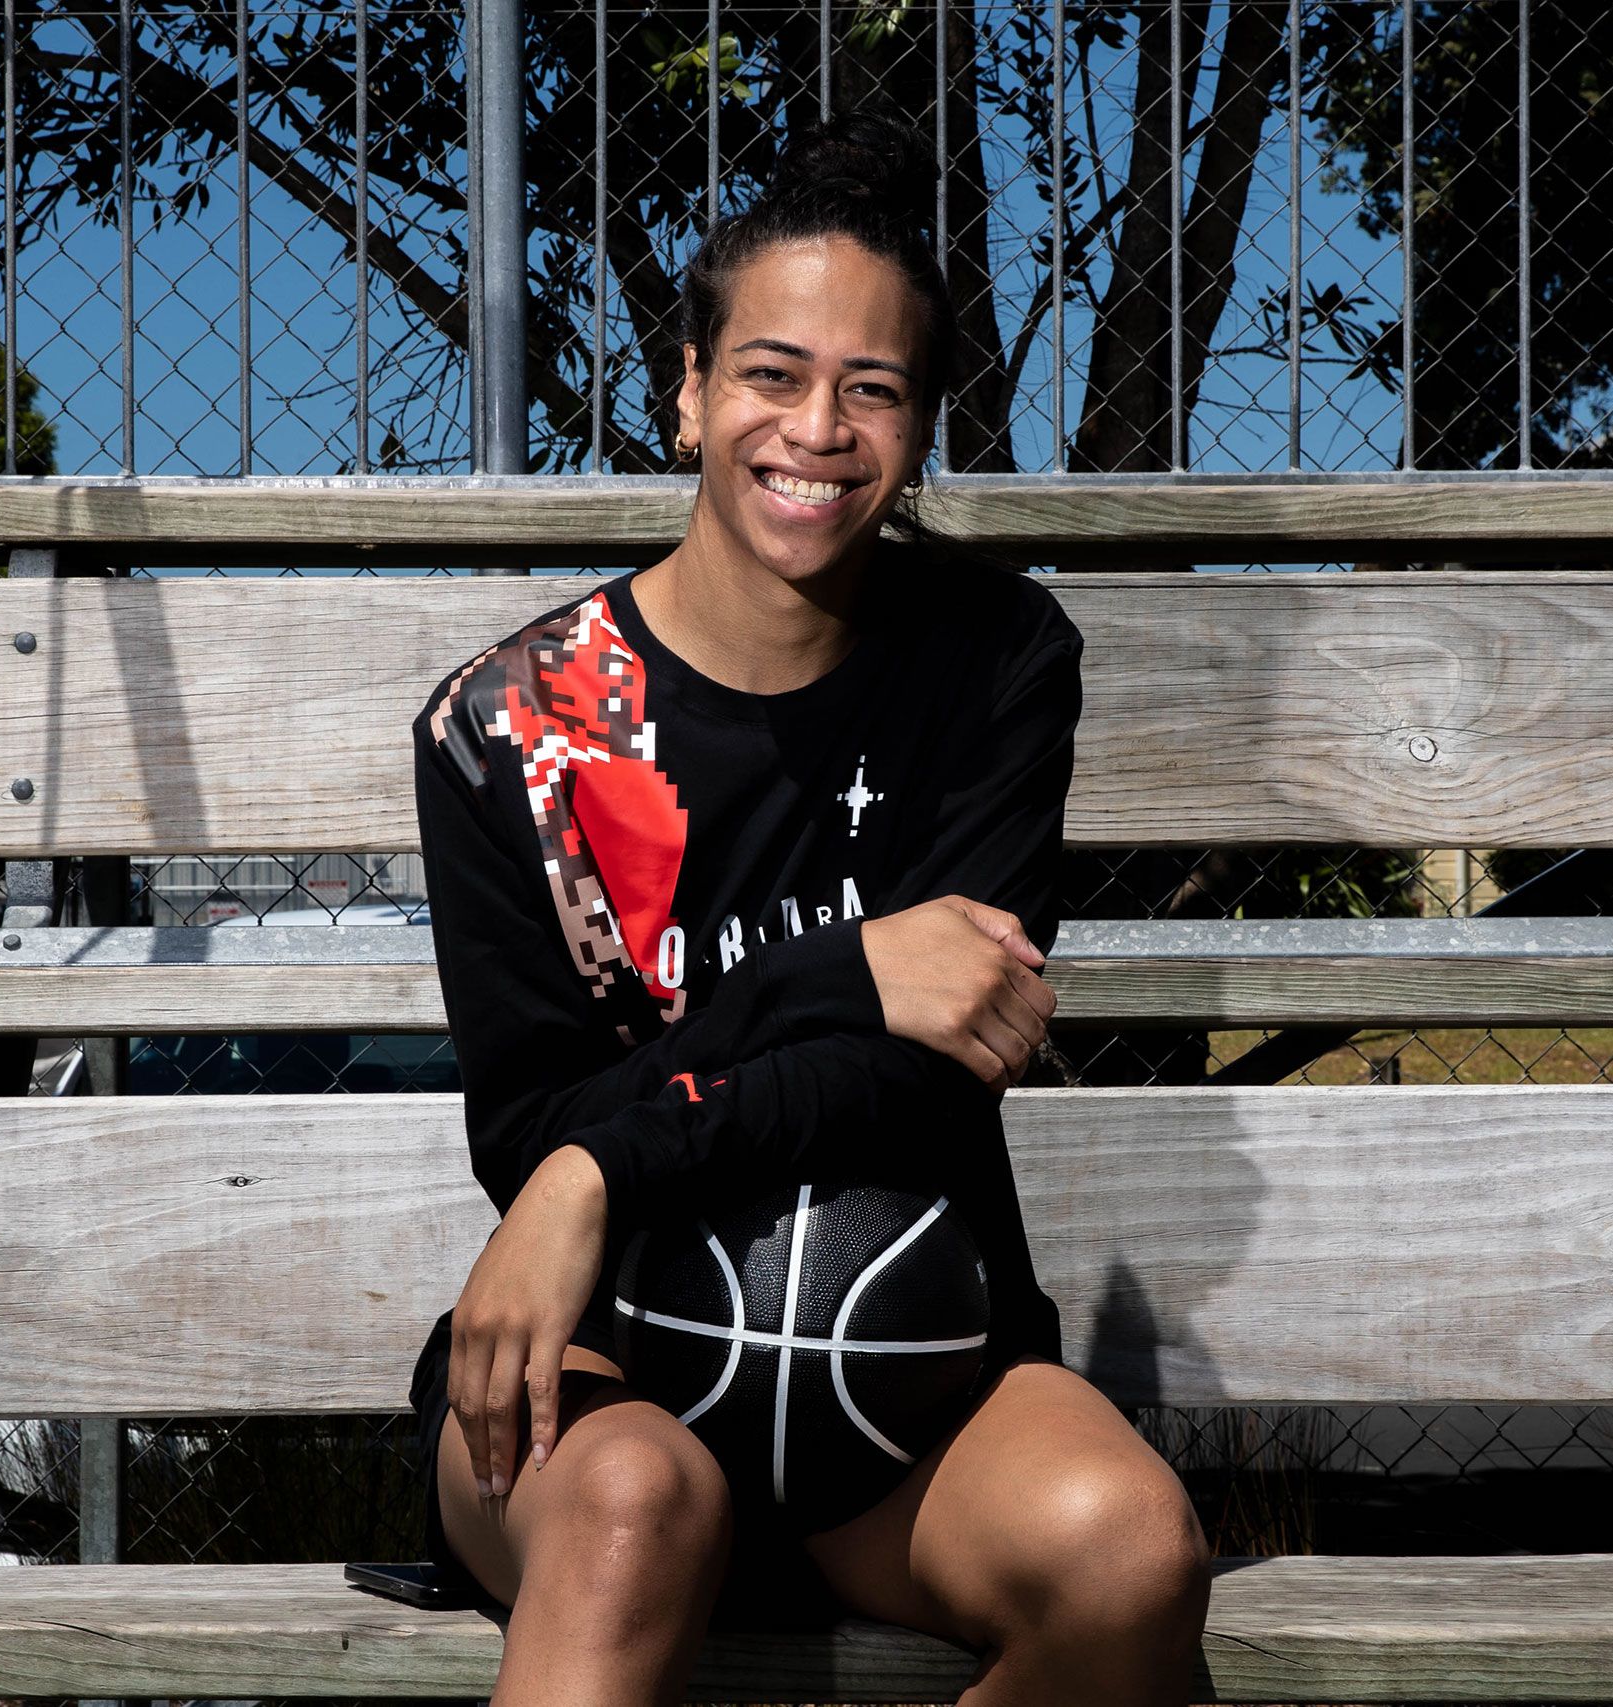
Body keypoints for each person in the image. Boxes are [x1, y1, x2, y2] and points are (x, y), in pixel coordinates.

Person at [404, 108, 1211, 1707]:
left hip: (909, 1367)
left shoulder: (992, 665)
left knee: (1132, 1560)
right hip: (612, 1359)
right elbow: (537, 1121)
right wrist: (843, 974)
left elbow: (927, 1067)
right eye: (772, 374)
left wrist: (601, 1155)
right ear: (691, 390)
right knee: (634, 1508)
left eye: (875, 388)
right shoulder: (514, 728)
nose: (818, 428)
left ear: (919, 428)